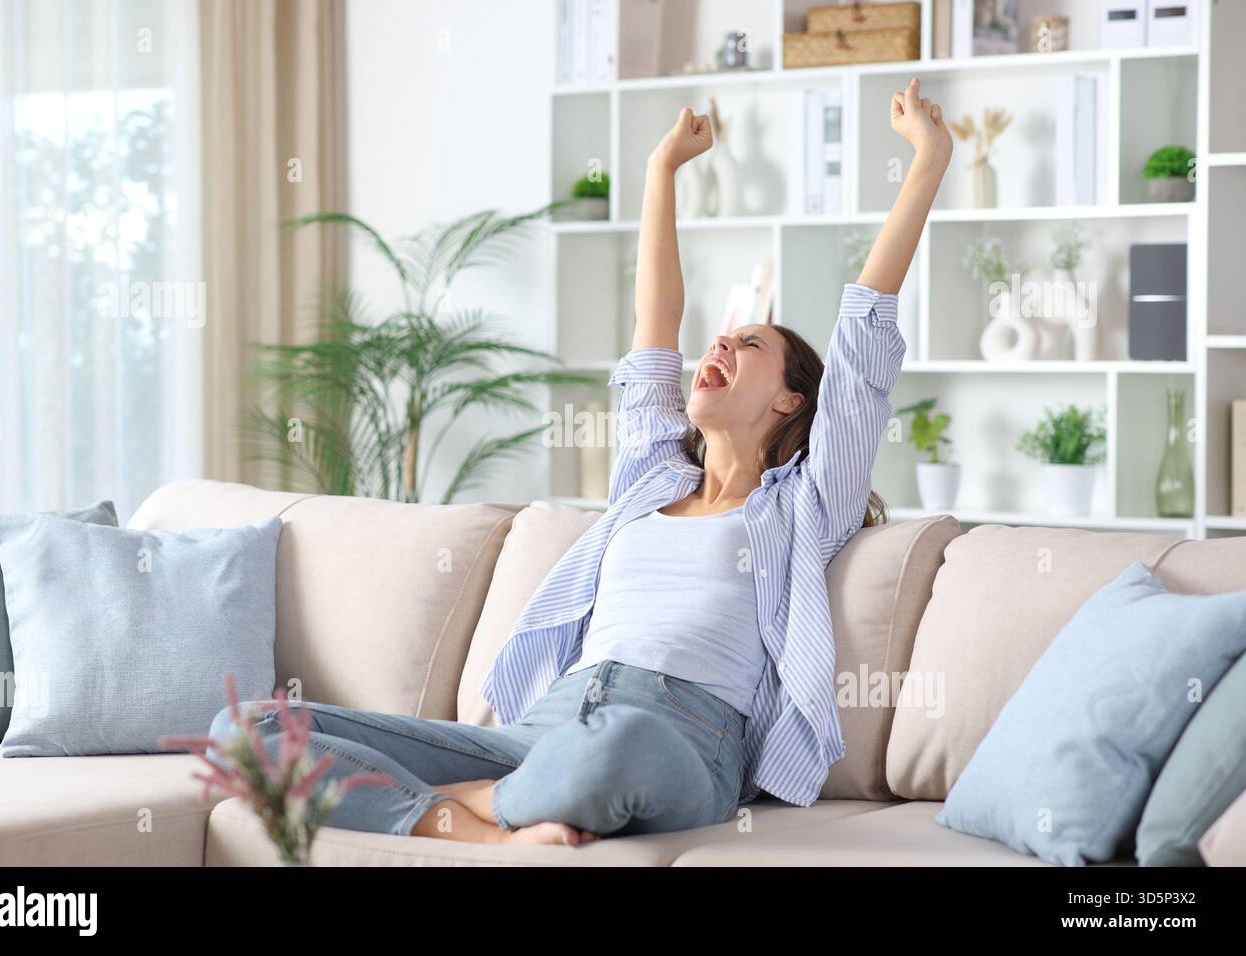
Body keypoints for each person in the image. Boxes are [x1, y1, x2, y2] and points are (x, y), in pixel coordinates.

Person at [208, 78, 952, 848]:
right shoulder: (649, 479)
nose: (721, 344)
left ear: (793, 403)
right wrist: (661, 171)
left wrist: (927, 161)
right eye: (722, 339)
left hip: (681, 737)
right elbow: (654, 321)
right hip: (549, 724)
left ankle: (469, 799)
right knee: (249, 727)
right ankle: (483, 828)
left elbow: (864, 345)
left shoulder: (803, 505)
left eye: (752, 344)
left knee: (617, 749)